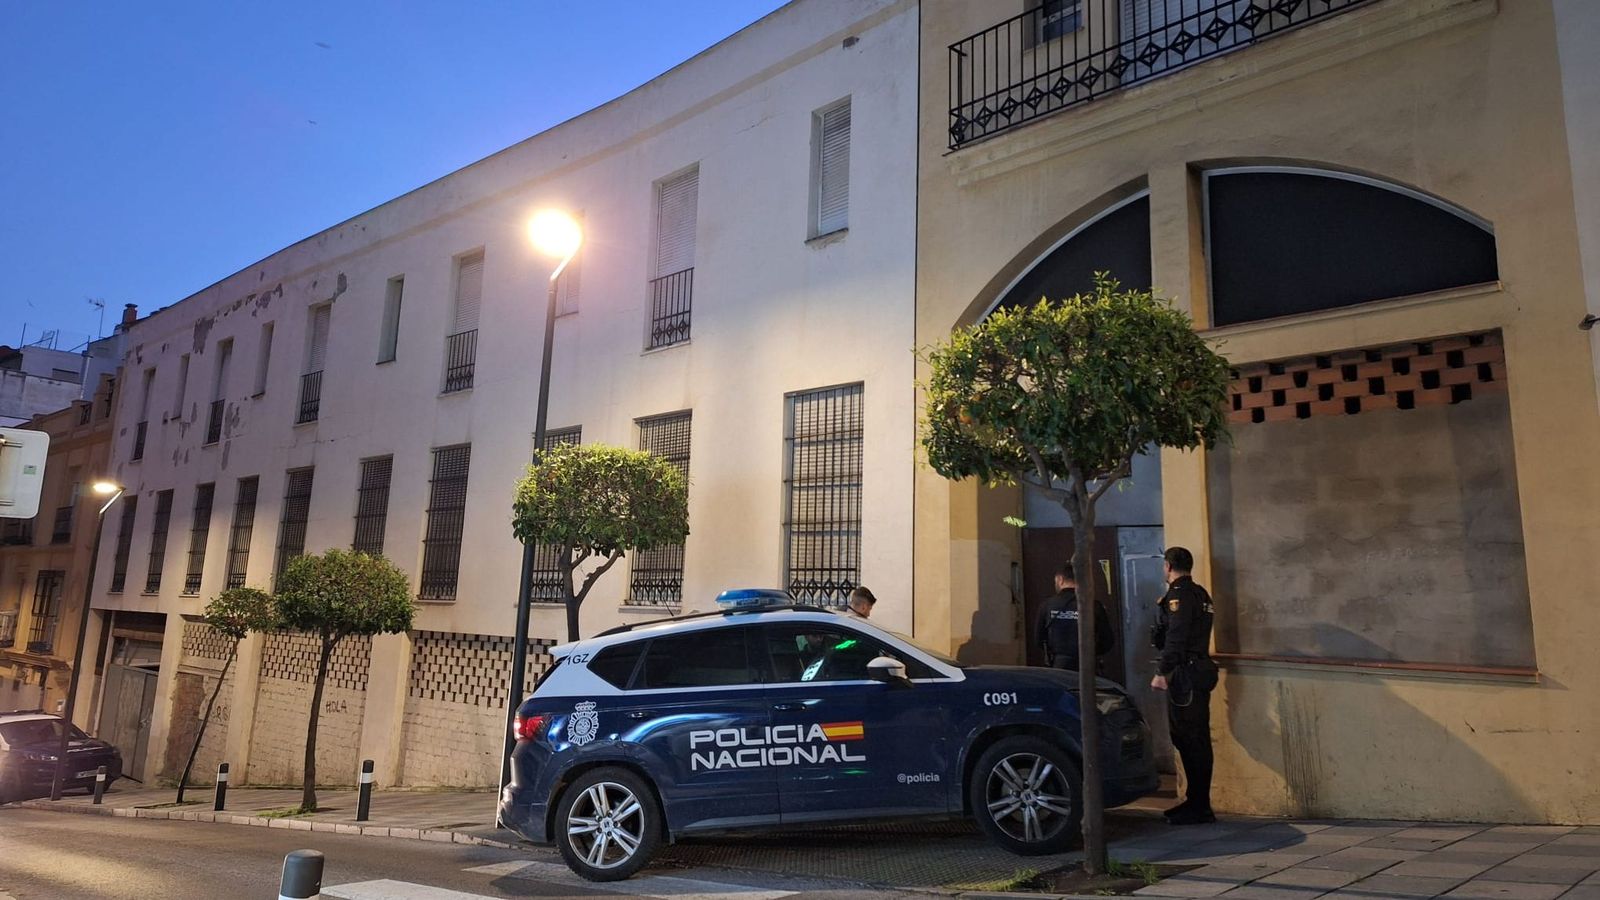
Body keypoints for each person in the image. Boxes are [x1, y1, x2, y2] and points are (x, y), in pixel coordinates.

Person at [1149, 546, 1218, 826]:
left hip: (1185, 674)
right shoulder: (1201, 593)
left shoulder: (1179, 596)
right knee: (1194, 739)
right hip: (1198, 669)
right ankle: (1196, 801)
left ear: (1168, 566)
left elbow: (1176, 638)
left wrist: (1162, 671)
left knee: (1191, 740)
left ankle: (1199, 806)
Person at [1036, 563, 1114, 674]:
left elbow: (1038, 639)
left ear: (1060, 579)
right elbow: (1108, 640)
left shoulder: (1047, 605)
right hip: (1088, 666)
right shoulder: (1094, 605)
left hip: (1059, 666)